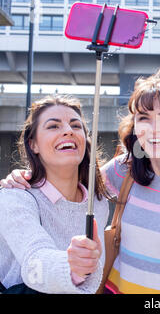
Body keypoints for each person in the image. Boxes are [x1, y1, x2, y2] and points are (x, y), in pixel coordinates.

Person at [0, 67, 160, 294]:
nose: (155, 128)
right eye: (144, 118)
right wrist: (24, 177)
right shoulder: (125, 168)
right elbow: (72, 184)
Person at [0, 95, 109, 294]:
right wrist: (73, 268)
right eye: (53, 126)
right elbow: (34, 260)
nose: (68, 131)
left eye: (76, 126)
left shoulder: (99, 203)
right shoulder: (15, 197)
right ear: (33, 144)